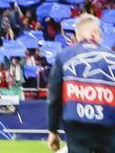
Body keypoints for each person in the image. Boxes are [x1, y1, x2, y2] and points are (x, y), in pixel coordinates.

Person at [47, 14, 115, 152]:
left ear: (79, 35)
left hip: (76, 125)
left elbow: (54, 97)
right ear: (94, 33)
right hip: (108, 128)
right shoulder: (112, 58)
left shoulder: (64, 56)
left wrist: (53, 130)